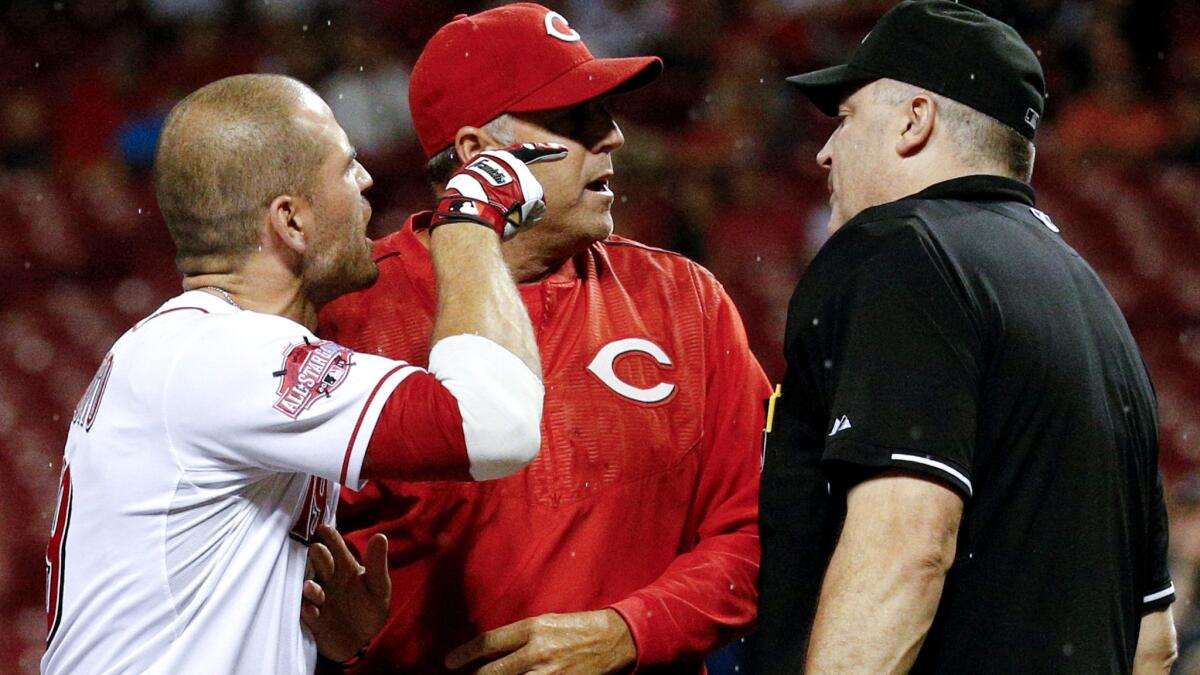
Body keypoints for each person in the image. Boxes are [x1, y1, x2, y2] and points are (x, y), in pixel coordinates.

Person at [41, 73, 556, 674]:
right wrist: (471, 224)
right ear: (291, 222)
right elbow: (497, 428)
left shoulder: (189, 347)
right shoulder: (225, 354)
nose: (366, 180)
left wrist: (325, 643)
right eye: (347, 165)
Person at [316, 4, 772, 673]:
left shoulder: (684, 300)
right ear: (478, 155)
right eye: (575, 118)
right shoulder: (347, 319)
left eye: (607, 112)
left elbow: (760, 530)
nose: (614, 137)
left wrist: (631, 630)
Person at [756, 2, 1178, 673]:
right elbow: (1152, 642)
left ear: (914, 120)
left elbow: (906, 547)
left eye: (845, 118)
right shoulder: (1099, 309)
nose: (825, 150)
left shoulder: (901, 250)